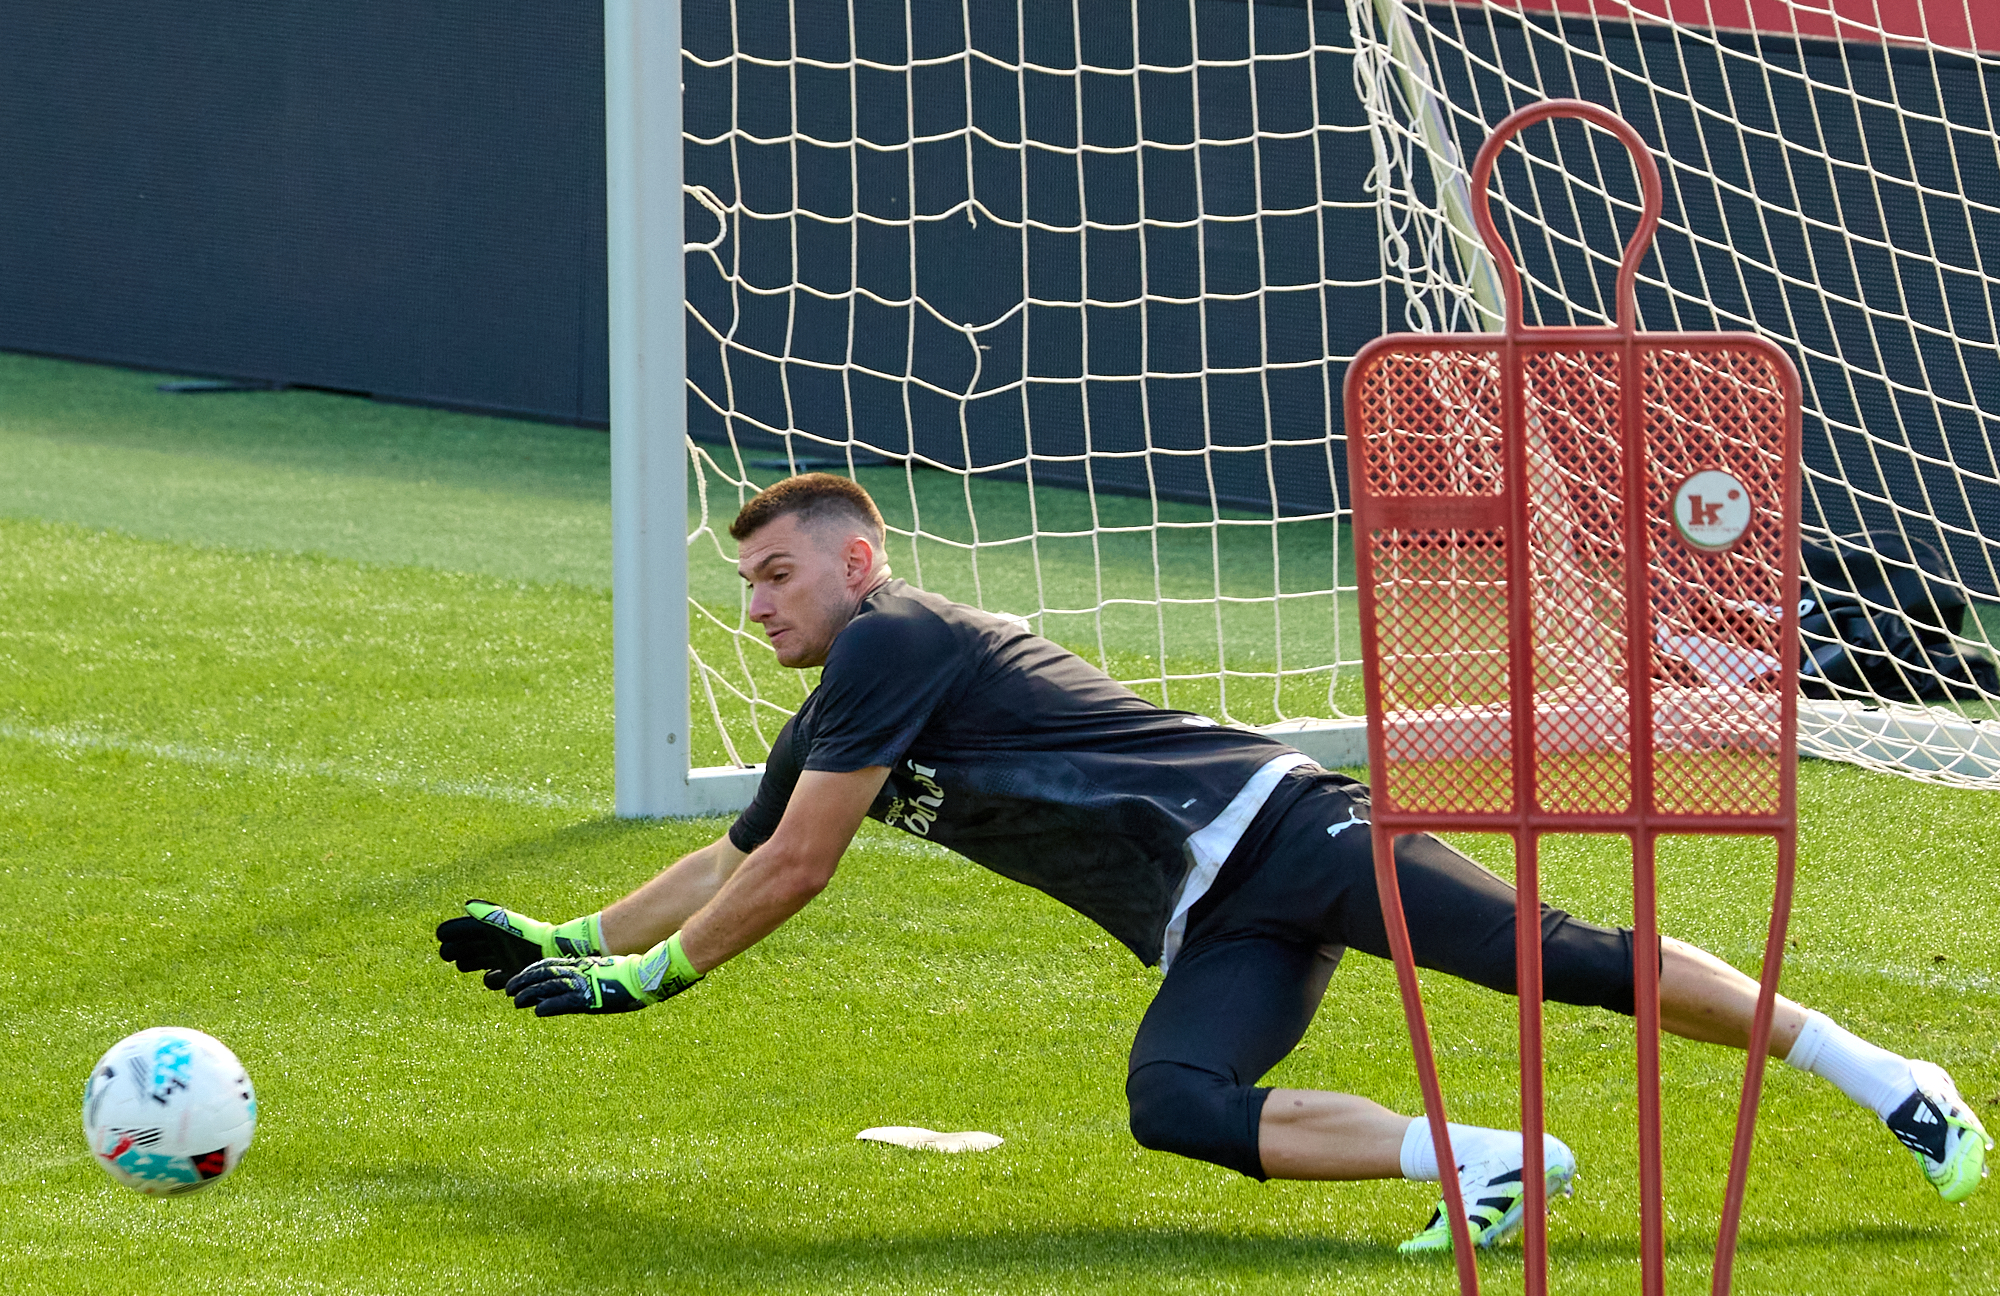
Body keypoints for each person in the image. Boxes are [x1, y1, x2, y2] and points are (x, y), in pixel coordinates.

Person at [437, 473, 1990, 1251]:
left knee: (1566, 960)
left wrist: (641, 982)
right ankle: (1482, 1161)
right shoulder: (843, 690)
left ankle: (1886, 1073)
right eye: (748, 585)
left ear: (859, 561)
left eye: (777, 575)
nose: (758, 606)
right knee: (1174, 1105)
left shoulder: (897, 634)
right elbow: (746, 844)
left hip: (1291, 829)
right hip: (1209, 919)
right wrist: (565, 927)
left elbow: (797, 877)